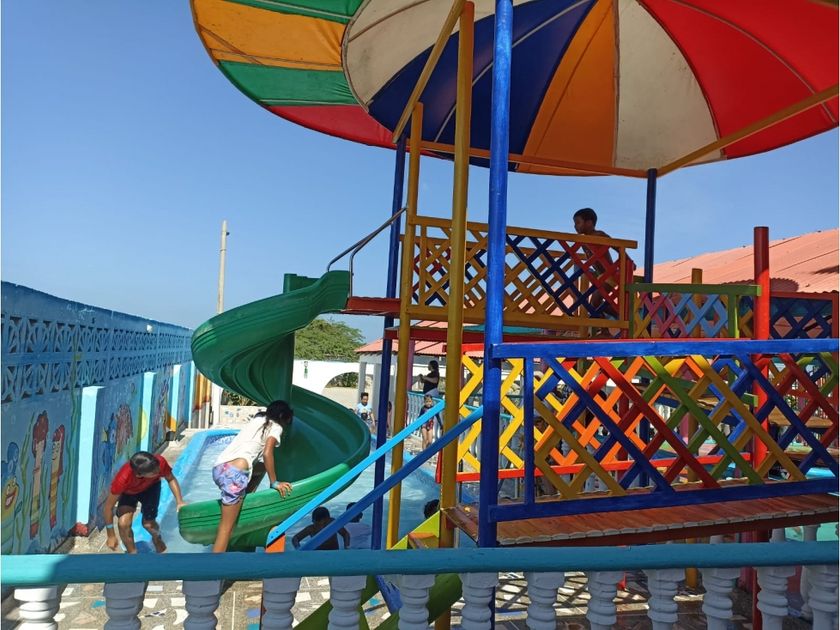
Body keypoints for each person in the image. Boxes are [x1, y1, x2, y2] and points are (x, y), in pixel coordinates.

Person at [211, 400, 294, 553]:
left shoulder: (258, 419)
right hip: (235, 474)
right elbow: (267, 453)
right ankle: (213, 567)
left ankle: (246, 496)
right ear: (283, 417)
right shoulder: (276, 427)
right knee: (226, 529)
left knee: (261, 467)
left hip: (219, 468)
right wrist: (274, 482)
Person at [103, 451, 185, 554]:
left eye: (158, 469)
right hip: (129, 492)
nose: (159, 472)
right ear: (139, 475)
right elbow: (108, 508)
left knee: (148, 524)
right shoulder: (122, 479)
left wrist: (180, 501)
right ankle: (133, 554)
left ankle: (157, 538)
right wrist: (111, 535)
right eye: (154, 473)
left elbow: (171, 479)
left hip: (151, 488)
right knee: (123, 524)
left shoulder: (159, 463)